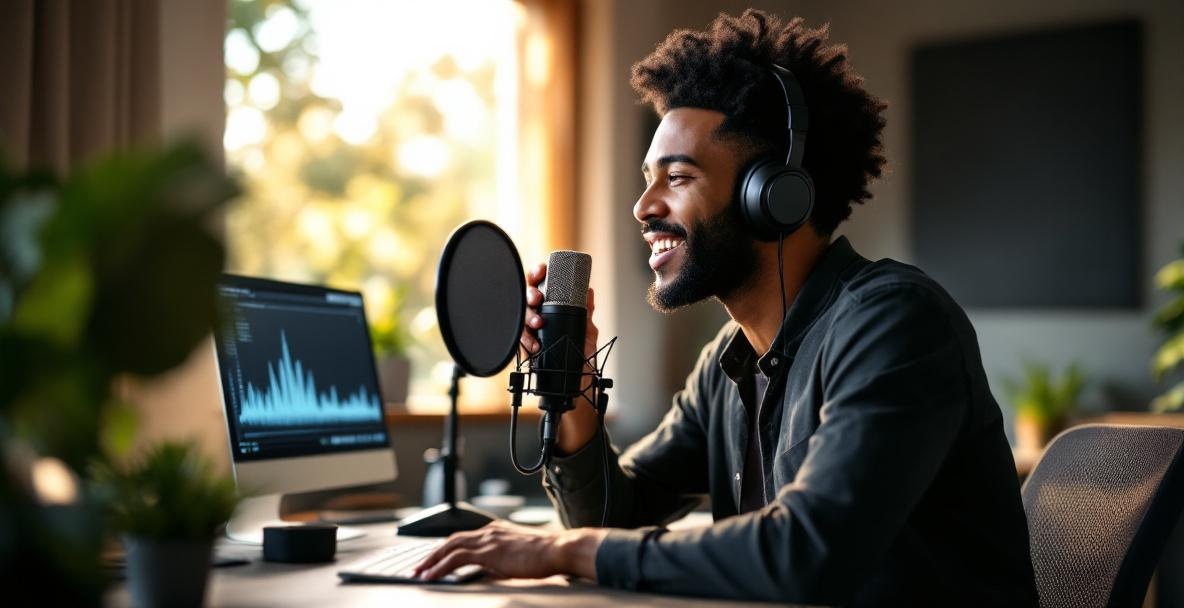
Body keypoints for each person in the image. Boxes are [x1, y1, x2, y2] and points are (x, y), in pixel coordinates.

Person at [416, 9, 1038, 605]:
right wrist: (575, 387)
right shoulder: (729, 363)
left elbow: (808, 550)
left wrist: (561, 552)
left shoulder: (895, 324)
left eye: (677, 178)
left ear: (771, 196)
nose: (643, 207)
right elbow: (614, 518)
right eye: (647, 178)